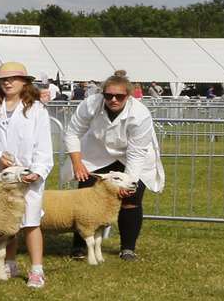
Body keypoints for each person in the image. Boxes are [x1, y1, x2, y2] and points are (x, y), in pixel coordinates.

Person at [66, 71, 164, 261]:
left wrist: (129, 183)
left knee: (131, 199)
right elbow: (72, 133)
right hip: (97, 153)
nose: (113, 99)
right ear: (102, 93)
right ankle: (79, 246)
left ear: (128, 96)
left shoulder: (140, 114)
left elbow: (136, 153)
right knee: (85, 199)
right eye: (108, 95)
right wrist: (77, 163)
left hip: (133, 157)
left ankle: (128, 248)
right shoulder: (90, 104)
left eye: (119, 96)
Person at [0, 62, 53, 288]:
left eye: (13, 78)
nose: (8, 82)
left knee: (30, 221)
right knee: (5, 221)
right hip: (1, 175)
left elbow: (43, 145)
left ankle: (37, 270)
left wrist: (37, 171)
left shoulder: (36, 109)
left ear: (24, 82)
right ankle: (7, 264)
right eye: (3, 79)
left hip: (27, 176)